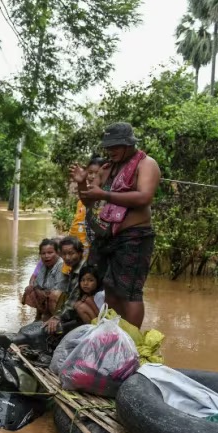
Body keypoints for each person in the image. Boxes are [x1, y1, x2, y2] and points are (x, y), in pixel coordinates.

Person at [70, 122, 161, 328]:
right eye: (108, 147)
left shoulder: (146, 164)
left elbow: (144, 197)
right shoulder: (107, 168)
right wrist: (82, 183)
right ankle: (113, 334)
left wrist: (104, 194)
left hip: (134, 236)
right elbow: (89, 201)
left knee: (129, 292)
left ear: (129, 144)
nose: (111, 151)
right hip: (107, 235)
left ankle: (132, 342)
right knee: (109, 287)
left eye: (116, 146)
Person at [44, 236, 86, 333]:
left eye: (71, 253)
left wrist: (57, 318)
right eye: (64, 254)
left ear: (80, 253)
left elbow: (73, 300)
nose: (67, 258)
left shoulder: (82, 272)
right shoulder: (74, 268)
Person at [68, 156, 105, 258]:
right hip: (80, 245)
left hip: (100, 247)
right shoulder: (83, 196)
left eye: (97, 173)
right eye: (90, 172)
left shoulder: (108, 195)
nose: (93, 176)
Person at [22, 238, 66, 322]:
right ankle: (41, 316)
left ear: (57, 253)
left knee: (53, 295)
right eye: (43, 253)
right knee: (29, 291)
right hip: (47, 293)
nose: (46, 256)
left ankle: (56, 320)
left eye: (50, 253)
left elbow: (58, 289)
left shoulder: (61, 265)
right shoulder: (43, 264)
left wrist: (42, 292)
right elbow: (37, 282)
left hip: (60, 299)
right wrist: (34, 288)